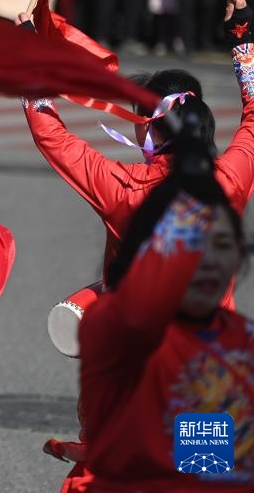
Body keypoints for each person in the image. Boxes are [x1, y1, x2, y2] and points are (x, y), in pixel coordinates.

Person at [19, 0, 254, 491]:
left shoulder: (124, 189)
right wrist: (244, 37)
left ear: (151, 131)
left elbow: (52, 134)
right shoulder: (229, 181)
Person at [78, 136, 253, 490]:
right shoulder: (123, 329)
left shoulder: (238, 340)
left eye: (222, 245)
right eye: (190, 243)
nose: (209, 262)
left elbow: (209, 472)